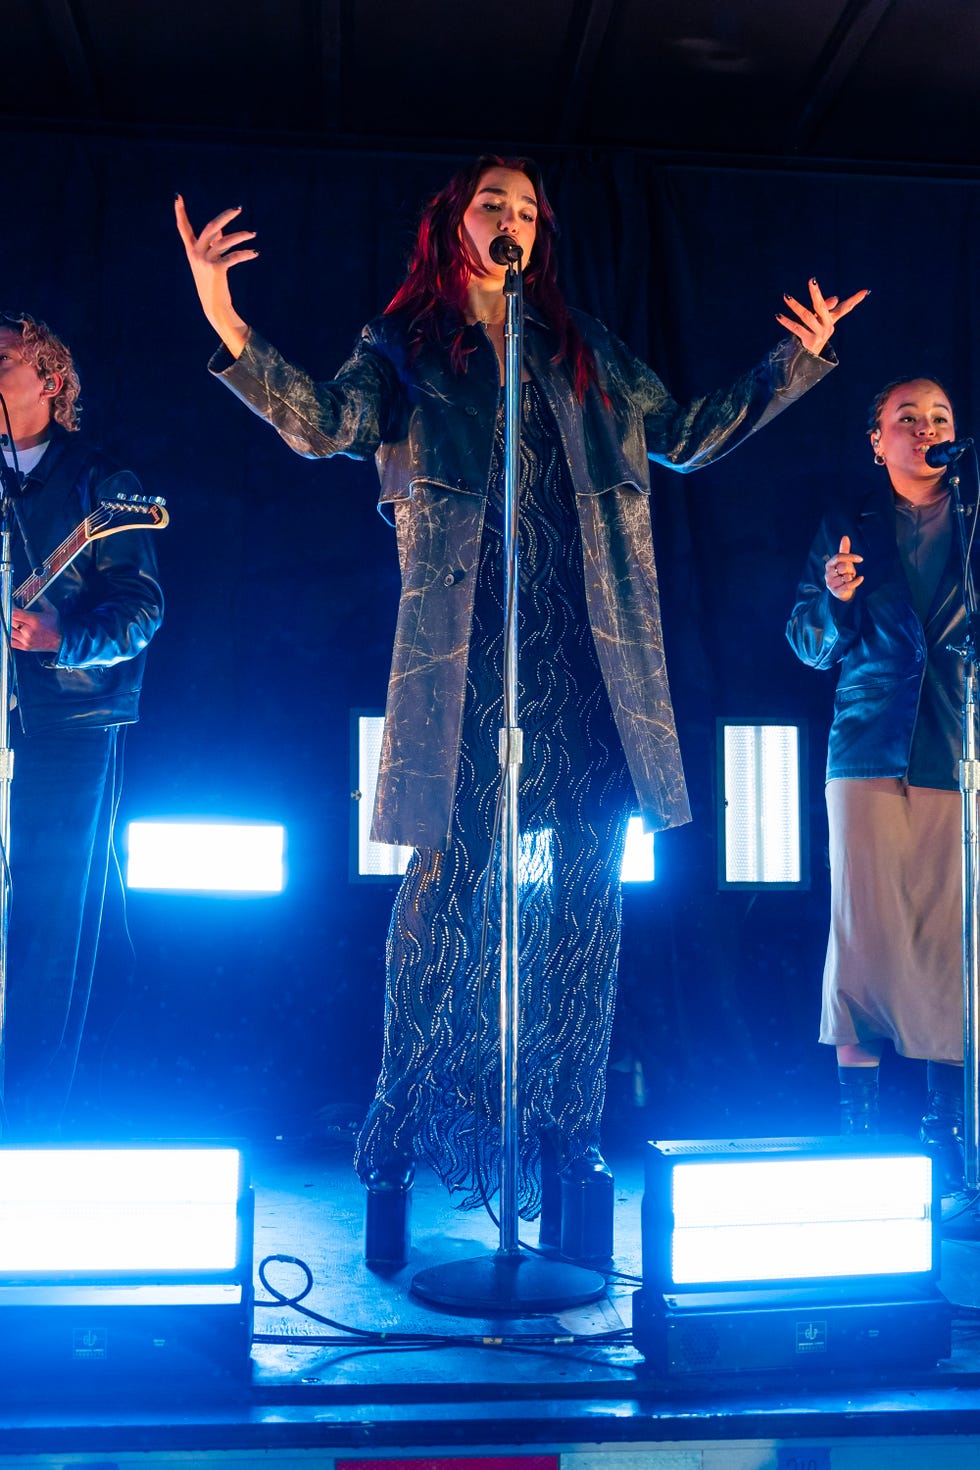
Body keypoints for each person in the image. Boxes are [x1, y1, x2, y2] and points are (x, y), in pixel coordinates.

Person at [175, 154, 867, 1265]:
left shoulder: (581, 342)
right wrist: (227, 320)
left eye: (529, 209)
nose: (513, 221)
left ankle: (569, 1144)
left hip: (588, 662)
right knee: (439, 909)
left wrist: (797, 361)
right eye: (492, 205)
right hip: (463, 660)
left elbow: (684, 432)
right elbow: (324, 424)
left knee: (586, 905)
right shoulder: (404, 344)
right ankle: (394, 1149)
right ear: (454, 223)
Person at [786, 376, 968, 1189]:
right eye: (907, 418)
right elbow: (808, 644)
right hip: (865, 749)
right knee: (861, 947)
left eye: (939, 419)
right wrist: (831, 601)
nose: (925, 428)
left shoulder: (974, 520)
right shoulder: (847, 525)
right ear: (877, 439)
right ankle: (859, 1147)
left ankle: (946, 1145)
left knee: (947, 949)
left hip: (954, 749)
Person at [0, 311, 164, 1139]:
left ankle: (24, 1125)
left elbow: (140, 610)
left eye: (1, 362)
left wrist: (64, 637)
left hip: (67, 725)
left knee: (48, 923)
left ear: (50, 381)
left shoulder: (106, 479)